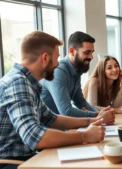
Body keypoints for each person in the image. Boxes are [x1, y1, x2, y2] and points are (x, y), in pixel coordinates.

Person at [0, 31, 106, 169]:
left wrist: (92, 121)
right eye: (56, 58)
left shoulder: (29, 83)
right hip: (12, 163)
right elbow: (34, 137)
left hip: (28, 158)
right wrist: (84, 136)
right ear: (45, 58)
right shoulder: (18, 83)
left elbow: (51, 119)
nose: (57, 64)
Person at [40, 31, 114, 124]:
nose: (91, 57)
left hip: (60, 126)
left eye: (92, 52)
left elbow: (80, 101)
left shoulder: (76, 70)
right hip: (47, 129)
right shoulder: (58, 71)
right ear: (72, 51)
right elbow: (66, 112)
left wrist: (99, 113)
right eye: (87, 52)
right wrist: (98, 116)